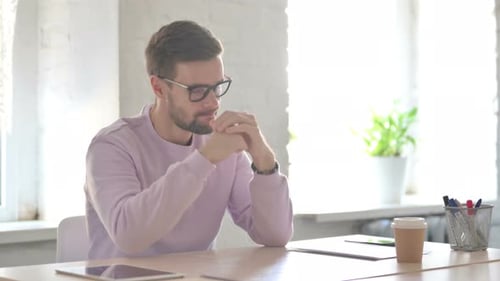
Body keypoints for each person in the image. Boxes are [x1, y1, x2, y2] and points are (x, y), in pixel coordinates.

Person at [84, 20, 294, 259]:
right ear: (159, 88)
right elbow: (129, 237)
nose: (213, 102)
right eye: (197, 90)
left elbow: (276, 236)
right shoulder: (112, 146)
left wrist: (265, 162)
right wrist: (205, 159)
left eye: (217, 87)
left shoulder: (222, 147)